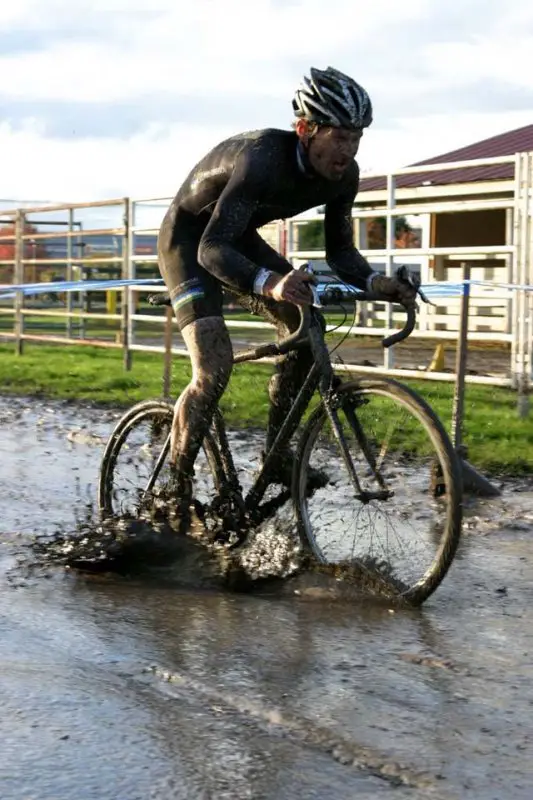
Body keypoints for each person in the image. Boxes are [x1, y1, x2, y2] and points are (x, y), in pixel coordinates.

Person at [157, 65, 417, 527]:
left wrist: (378, 283)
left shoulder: (344, 176)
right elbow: (210, 248)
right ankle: (173, 487)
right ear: (305, 129)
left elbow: (340, 251)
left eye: (356, 138)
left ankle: (276, 455)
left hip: (236, 238)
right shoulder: (261, 159)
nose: (349, 150)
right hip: (190, 242)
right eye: (339, 137)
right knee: (213, 369)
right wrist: (271, 283)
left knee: (306, 322)